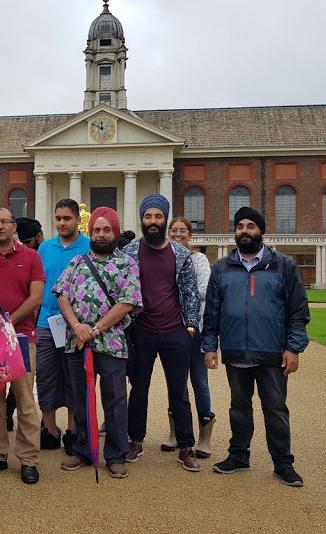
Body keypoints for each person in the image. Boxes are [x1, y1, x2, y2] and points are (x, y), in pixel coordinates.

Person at [202, 206, 310, 487]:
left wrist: (294, 347)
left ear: (261, 230)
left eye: (251, 226)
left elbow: (298, 311)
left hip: (272, 352)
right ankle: (238, 456)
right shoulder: (222, 268)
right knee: (238, 407)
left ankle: (283, 463)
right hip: (236, 349)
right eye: (240, 227)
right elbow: (212, 312)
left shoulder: (283, 265)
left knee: (275, 408)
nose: (245, 231)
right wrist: (209, 346)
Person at [55, 207, 141, 480]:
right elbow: (63, 296)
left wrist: (95, 328)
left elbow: (127, 302)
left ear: (115, 232)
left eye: (107, 230)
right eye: (96, 230)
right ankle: (82, 449)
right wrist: (77, 326)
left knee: (115, 399)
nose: (101, 234)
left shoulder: (127, 263)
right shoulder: (78, 262)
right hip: (77, 342)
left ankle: (115, 454)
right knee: (80, 398)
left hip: (112, 343)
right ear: (89, 232)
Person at [121, 194, 203, 472]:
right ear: (142, 220)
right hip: (142, 331)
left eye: (157, 216)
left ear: (165, 219)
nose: (153, 221)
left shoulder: (180, 254)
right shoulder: (130, 252)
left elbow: (190, 292)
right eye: (148, 217)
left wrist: (190, 327)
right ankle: (135, 441)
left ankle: (186, 446)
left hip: (175, 332)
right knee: (139, 390)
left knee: (179, 391)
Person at [0, 207, 44, 485]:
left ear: (14, 226)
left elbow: (35, 297)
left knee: (25, 401)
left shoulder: (31, 257)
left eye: (5, 221)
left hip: (22, 337)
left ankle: (28, 459)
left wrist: (8, 324)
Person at [35, 199, 89, 453]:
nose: (61, 223)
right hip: (46, 322)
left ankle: (73, 430)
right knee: (46, 376)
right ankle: (49, 429)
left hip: (77, 324)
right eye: (58, 218)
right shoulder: (45, 248)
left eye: (66, 218)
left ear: (77, 219)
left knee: (74, 378)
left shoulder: (88, 247)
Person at [161, 216, 214, 457]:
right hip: (173, 328)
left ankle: (204, 437)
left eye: (183, 231)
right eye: (174, 230)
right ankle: (176, 433)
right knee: (176, 382)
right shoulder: (164, 257)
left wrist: (181, 289)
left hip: (197, 329)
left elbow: (205, 289)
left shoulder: (199, 259)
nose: (178, 234)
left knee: (199, 381)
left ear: (190, 235)